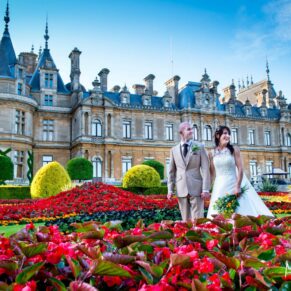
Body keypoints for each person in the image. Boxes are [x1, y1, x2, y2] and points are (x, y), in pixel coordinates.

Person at [207, 125, 274, 218]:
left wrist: (238, 186)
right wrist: (206, 189)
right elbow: (211, 173)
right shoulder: (211, 153)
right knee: (217, 211)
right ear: (218, 136)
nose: (228, 136)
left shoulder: (234, 149)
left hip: (233, 183)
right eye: (225, 133)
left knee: (238, 210)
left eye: (229, 134)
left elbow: (240, 169)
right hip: (219, 186)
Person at [167, 121, 211, 221]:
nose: (192, 131)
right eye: (189, 129)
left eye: (192, 129)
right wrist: (170, 189)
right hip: (181, 188)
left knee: (198, 219)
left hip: (197, 188)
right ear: (181, 132)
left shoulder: (200, 147)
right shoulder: (173, 150)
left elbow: (205, 169)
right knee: (185, 220)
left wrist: (205, 189)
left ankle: (199, 236)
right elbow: (171, 172)